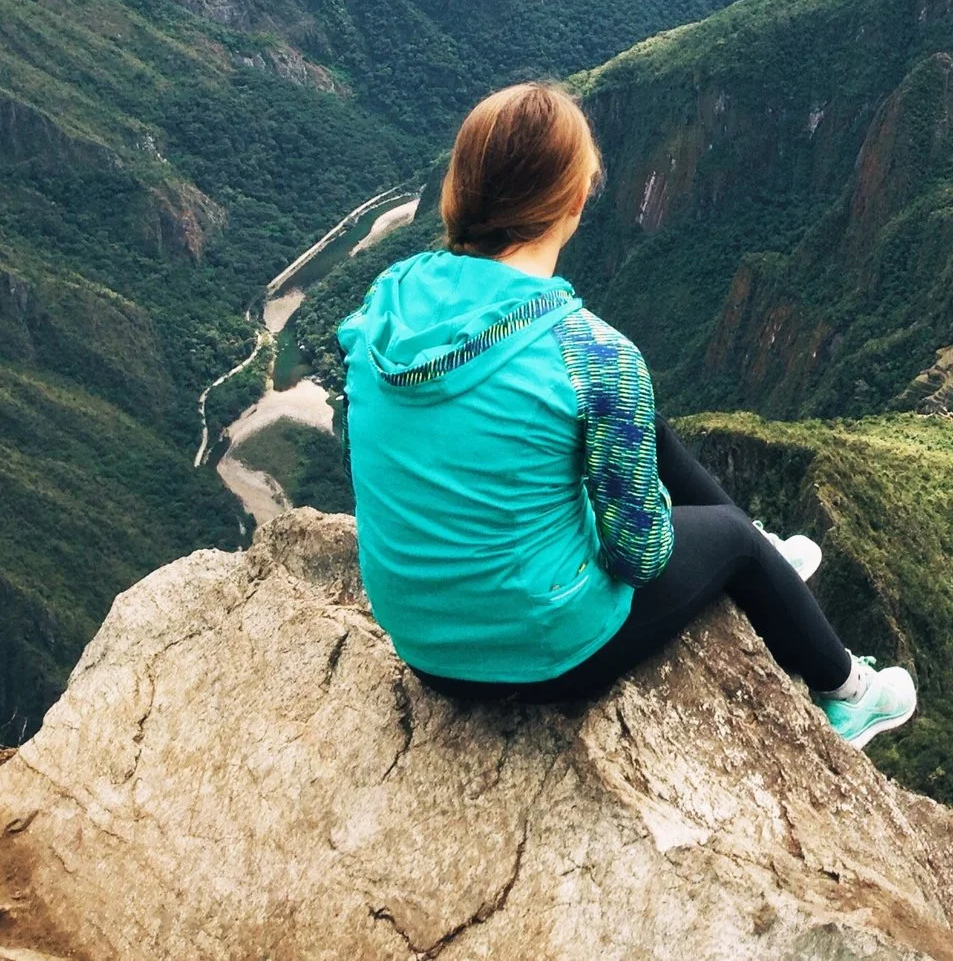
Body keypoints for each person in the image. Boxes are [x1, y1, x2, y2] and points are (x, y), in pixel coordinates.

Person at [335, 80, 915, 747]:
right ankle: (851, 694)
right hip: (539, 651)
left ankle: (772, 562)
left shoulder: (385, 302)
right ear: (577, 199)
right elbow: (640, 556)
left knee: (642, 425)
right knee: (734, 539)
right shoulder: (594, 355)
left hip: (420, 641)